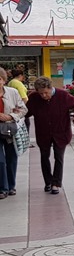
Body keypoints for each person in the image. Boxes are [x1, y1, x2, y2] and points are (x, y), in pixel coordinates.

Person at [25, 77, 74, 195]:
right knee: (44, 157)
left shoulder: (63, 95)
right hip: (43, 132)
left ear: (51, 88)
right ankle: (48, 182)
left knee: (59, 157)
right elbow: (27, 111)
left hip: (61, 131)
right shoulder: (34, 98)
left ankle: (56, 183)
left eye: (46, 92)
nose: (44, 96)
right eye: (41, 93)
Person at [0, 68, 27, 199]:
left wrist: (10, 116)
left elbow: (23, 109)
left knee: (11, 157)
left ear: (4, 80)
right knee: (0, 160)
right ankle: (2, 188)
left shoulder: (12, 92)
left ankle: (11, 186)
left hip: (9, 128)